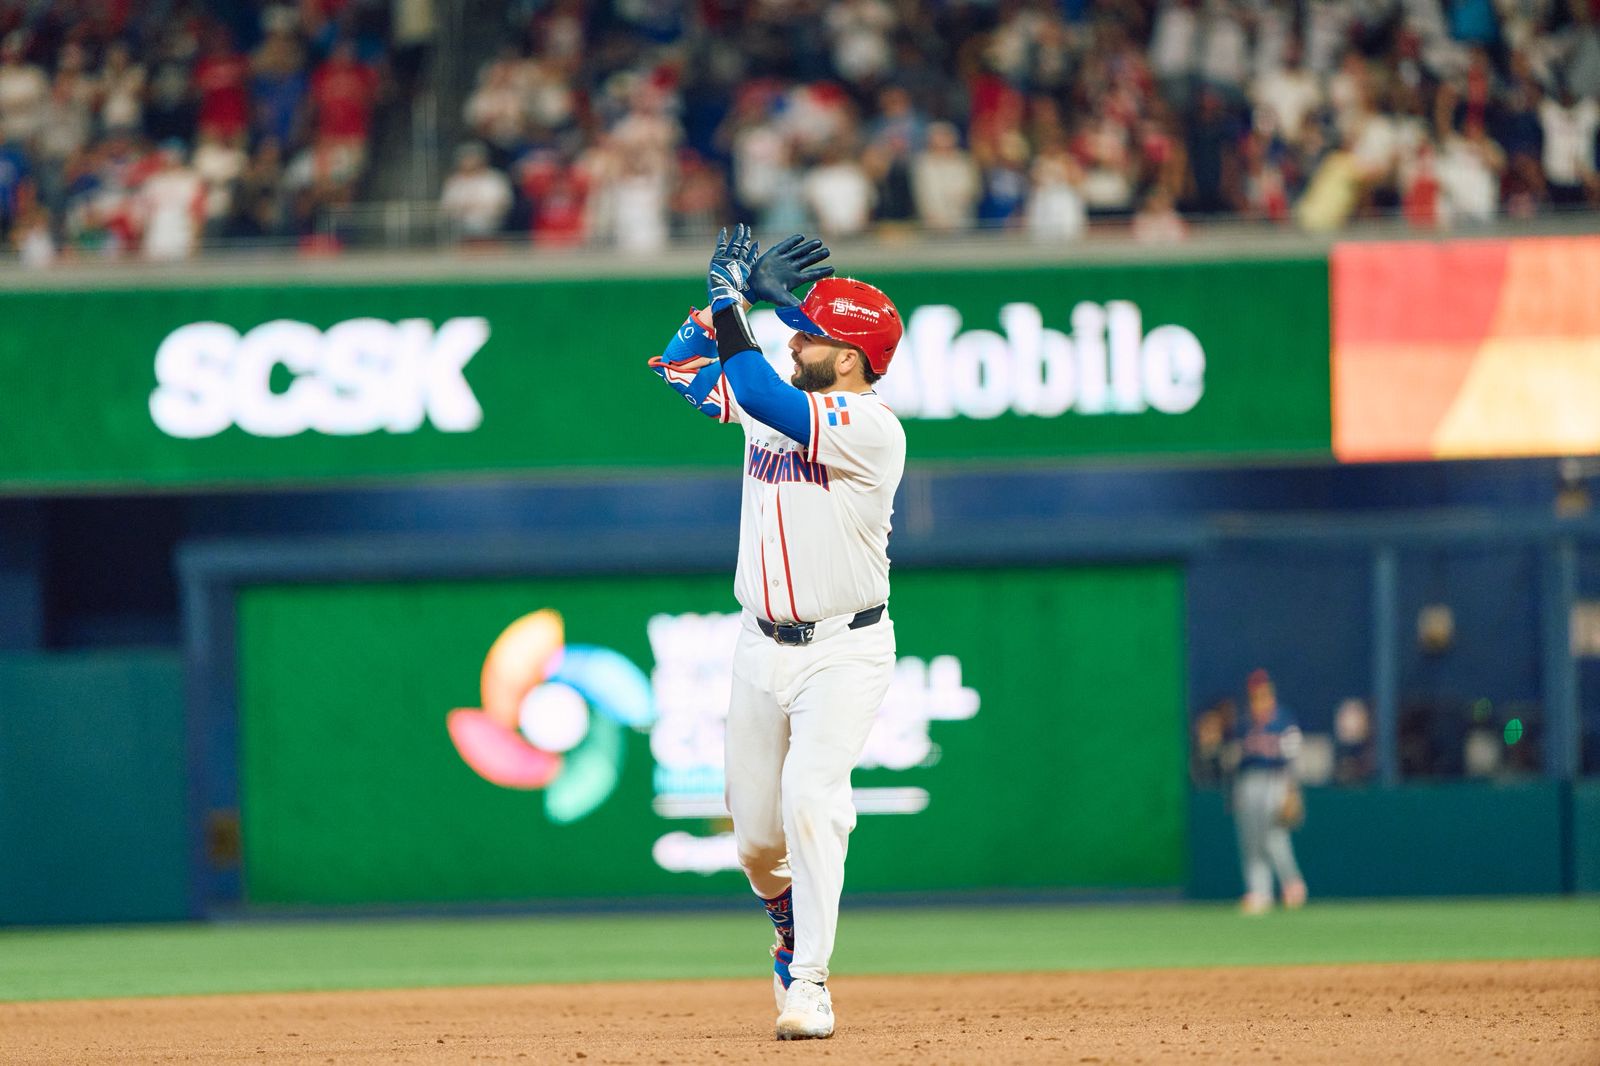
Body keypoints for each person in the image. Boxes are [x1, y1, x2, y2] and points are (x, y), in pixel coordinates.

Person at [647, 224, 905, 1041]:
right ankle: (787, 922)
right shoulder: (782, 397)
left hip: (845, 648)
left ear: (853, 360)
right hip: (760, 649)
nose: (800, 336)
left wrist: (733, 296)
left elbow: (759, 393)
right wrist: (743, 304)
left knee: (811, 800)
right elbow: (680, 364)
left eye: (817, 335)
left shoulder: (871, 427)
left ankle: (812, 984)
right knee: (758, 844)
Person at [1233, 668, 1308, 914]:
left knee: (1274, 837)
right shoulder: (1245, 723)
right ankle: (1259, 892)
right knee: (1251, 840)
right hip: (1249, 782)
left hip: (1276, 780)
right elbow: (1238, 761)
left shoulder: (1284, 720)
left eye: (1263, 693)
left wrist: (1291, 790)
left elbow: (1292, 758)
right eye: (1255, 694)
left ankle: (1292, 883)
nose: (1259, 699)